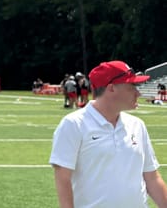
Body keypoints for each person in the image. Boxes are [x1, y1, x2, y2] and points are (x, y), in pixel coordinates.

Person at [49, 60, 167, 207]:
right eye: (132, 87)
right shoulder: (73, 124)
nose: (138, 92)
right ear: (111, 88)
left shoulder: (137, 125)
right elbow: (63, 179)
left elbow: (152, 178)